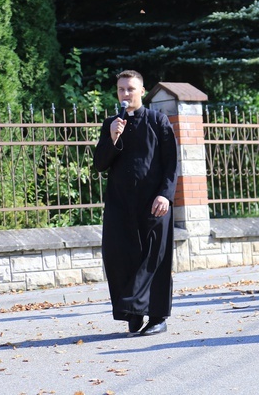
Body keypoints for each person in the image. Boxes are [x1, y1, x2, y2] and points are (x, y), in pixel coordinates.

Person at [94, 70, 178, 336]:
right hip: (121, 204)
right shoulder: (112, 123)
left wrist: (165, 194)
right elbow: (99, 164)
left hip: (154, 202)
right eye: (121, 89)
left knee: (155, 258)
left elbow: (171, 163)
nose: (125, 94)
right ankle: (132, 311)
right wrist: (112, 137)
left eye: (130, 89)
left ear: (141, 91)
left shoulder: (158, 121)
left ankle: (157, 317)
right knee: (120, 255)